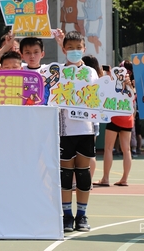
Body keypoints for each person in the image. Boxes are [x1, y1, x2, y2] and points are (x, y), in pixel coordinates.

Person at [58, 31, 98, 233]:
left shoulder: (91, 72)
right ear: (64, 49)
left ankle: (82, 215)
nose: (74, 51)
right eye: (70, 48)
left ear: (84, 49)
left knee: (83, 174)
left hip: (85, 129)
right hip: (64, 131)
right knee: (65, 175)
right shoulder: (57, 72)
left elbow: (99, 97)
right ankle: (67, 215)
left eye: (78, 48)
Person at [94, 65, 133, 187]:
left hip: (115, 117)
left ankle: (105, 178)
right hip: (128, 118)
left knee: (108, 148)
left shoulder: (114, 83)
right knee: (126, 150)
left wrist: (109, 75)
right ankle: (124, 179)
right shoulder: (131, 85)